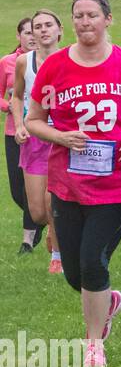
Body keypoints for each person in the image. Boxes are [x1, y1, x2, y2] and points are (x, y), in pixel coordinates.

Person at [24, 0, 121, 367]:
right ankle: (108, 302)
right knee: (76, 275)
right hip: (69, 182)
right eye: (78, 16)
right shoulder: (54, 66)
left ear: (108, 19)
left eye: (92, 15)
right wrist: (60, 136)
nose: (85, 22)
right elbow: (32, 119)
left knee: (92, 260)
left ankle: (93, 344)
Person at [11, 9, 64, 271]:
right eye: (37, 27)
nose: (42, 30)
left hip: (62, 140)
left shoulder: (72, 59)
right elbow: (17, 97)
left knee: (52, 200)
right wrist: (19, 124)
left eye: (48, 25)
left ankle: (58, 255)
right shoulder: (24, 62)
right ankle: (55, 233)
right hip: (34, 140)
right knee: (38, 213)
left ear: (59, 30)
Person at [2, 19, 40, 252]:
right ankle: (39, 220)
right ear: (19, 36)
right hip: (14, 132)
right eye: (27, 32)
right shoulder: (7, 62)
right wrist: (10, 107)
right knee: (18, 191)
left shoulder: (49, 61)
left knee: (32, 188)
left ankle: (28, 240)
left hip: (42, 133)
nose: (32, 36)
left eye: (35, 31)